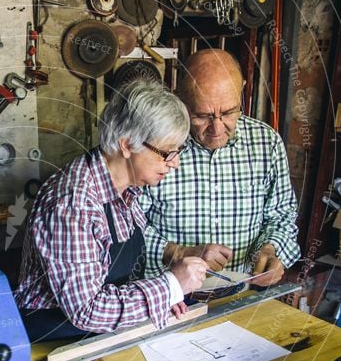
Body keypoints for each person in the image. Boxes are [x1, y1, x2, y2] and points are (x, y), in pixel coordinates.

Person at [15, 80, 208, 342]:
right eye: (167, 153)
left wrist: (162, 299)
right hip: (55, 339)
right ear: (126, 144)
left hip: (100, 333)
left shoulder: (125, 188)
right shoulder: (74, 204)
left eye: (178, 151)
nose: (175, 163)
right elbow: (86, 309)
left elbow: (117, 277)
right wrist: (170, 286)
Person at [141, 49, 300, 285]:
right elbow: (125, 226)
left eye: (228, 112)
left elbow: (282, 217)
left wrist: (271, 250)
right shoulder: (154, 144)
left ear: (242, 90)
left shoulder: (266, 143)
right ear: (180, 98)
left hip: (240, 291)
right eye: (201, 115)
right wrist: (177, 253)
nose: (217, 129)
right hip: (167, 295)